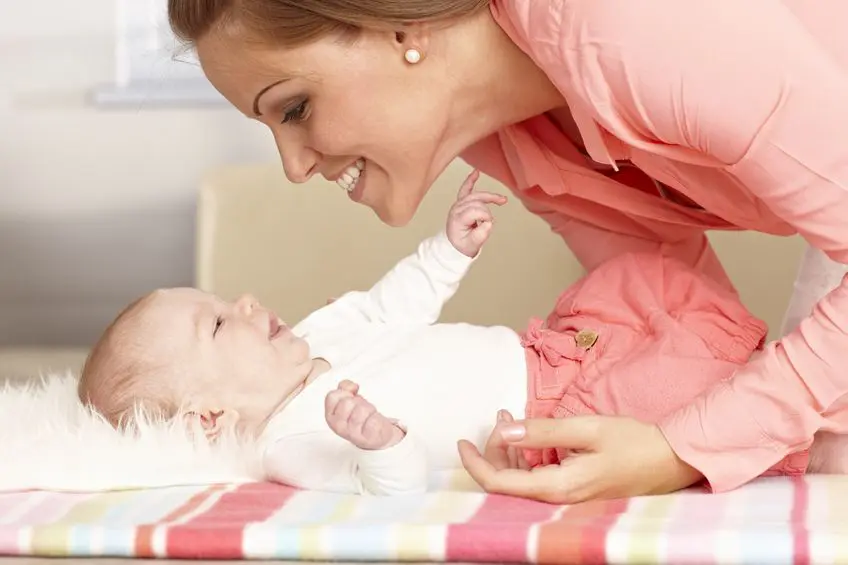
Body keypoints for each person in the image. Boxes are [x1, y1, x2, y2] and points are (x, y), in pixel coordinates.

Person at [165, 0, 848, 502]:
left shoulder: (626, 27)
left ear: (401, 27)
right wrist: (665, 436)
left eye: (292, 108)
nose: (293, 165)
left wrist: (681, 445)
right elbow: (673, 297)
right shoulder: (502, 133)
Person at [79, 173, 833, 495]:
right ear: (207, 416)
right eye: (218, 321)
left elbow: (392, 305)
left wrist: (446, 249)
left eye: (225, 299)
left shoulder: (317, 336)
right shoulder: (289, 444)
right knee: (668, 394)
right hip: (553, 422)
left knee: (639, 281)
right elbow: (392, 486)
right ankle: (798, 417)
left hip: (554, 349)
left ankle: (767, 360)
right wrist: (381, 443)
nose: (244, 302)